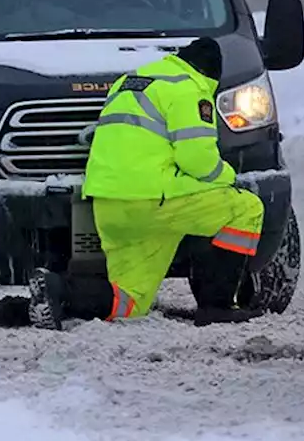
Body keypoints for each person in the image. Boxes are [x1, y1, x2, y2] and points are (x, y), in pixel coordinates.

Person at [33, 36, 264, 328]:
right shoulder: (189, 87)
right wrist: (228, 178)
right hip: (156, 201)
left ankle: (58, 292)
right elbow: (197, 160)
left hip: (109, 205)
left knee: (129, 301)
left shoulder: (128, 82)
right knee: (246, 207)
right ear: (210, 73)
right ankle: (217, 305)